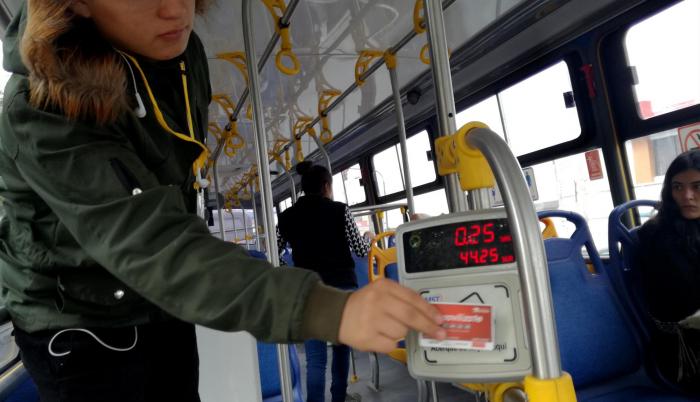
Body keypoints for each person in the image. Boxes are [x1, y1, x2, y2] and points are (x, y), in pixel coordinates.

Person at [0, 2, 445, 401]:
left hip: (157, 302)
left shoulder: (181, 54)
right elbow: (154, 246)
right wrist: (328, 308)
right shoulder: (42, 105)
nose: (176, 11)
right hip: (76, 320)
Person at [277, 162, 371, 402]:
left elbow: (274, 253)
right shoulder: (341, 211)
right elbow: (360, 249)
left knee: (315, 358)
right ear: (326, 186)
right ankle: (339, 397)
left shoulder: (286, 217)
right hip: (342, 289)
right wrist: (369, 239)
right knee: (341, 349)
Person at [637, 149, 700, 395]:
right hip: (683, 348)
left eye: (697, 187)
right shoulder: (655, 235)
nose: (687, 196)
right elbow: (680, 295)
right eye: (678, 187)